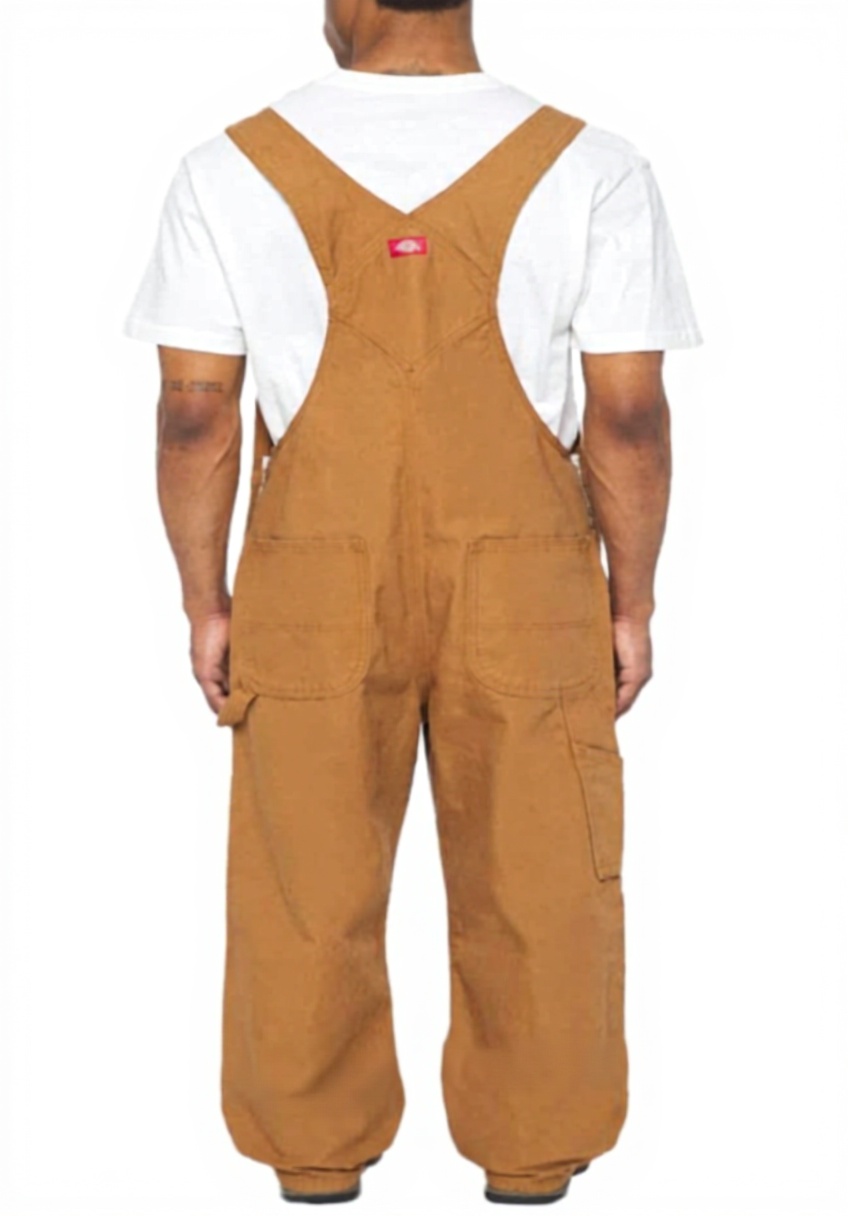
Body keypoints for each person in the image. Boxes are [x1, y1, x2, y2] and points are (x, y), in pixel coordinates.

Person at [123, 0, 703, 1205]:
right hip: (528, 582)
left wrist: (204, 598)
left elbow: (194, 414)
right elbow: (628, 413)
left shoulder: (226, 168)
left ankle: (314, 1157)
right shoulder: (594, 167)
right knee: (541, 880)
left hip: (308, 580)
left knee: (304, 888)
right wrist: (631, 601)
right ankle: (531, 1158)